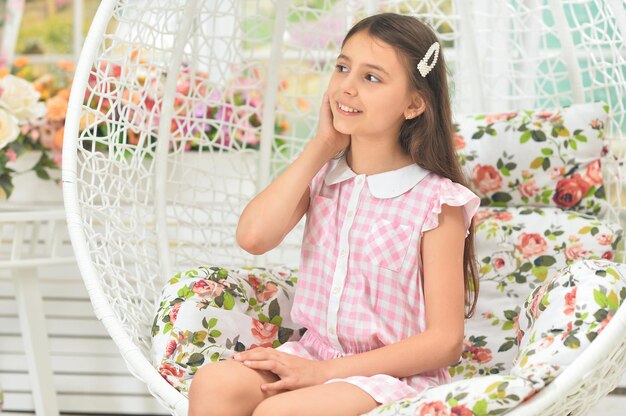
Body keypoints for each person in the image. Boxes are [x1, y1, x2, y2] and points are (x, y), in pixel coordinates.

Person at [189, 12, 481, 416]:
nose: (346, 86)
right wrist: (322, 145)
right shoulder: (324, 177)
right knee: (215, 383)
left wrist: (325, 373)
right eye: (343, 67)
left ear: (414, 104)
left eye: (371, 78)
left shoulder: (438, 203)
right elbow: (253, 238)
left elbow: (445, 342)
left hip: (389, 378)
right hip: (312, 354)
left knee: (278, 413)